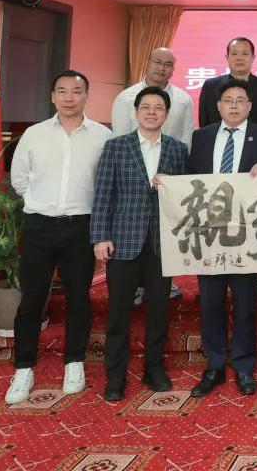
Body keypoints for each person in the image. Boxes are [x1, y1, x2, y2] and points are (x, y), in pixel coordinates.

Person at [5, 71, 112, 405]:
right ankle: (24, 368)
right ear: (52, 96)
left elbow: (107, 182)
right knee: (32, 298)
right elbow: (19, 178)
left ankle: (74, 362)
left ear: (87, 96)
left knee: (79, 297)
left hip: (81, 226)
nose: (69, 97)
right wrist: (42, 204)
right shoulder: (34, 134)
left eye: (76, 91)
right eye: (62, 91)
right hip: (39, 225)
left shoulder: (102, 136)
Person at [188, 79, 257, 398]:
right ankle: (214, 365)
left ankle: (243, 365)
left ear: (249, 106)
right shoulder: (201, 137)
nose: (233, 105)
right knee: (211, 301)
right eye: (228, 100)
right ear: (217, 106)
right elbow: (189, 179)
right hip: (210, 233)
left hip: (247, 232)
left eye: (240, 100)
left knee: (245, 303)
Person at [91, 86, 188, 401]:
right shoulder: (116, 147)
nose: (151, 112)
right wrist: (100, 236)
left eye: (158, 108)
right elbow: (103, 193)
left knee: (158, 311)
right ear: (135, 112)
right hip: (123, 241)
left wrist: (171, 187)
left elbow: (186, 195)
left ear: (166, 114)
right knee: (118, 313)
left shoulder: (177, 150)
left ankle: (154, 368)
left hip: (162, 244)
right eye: (146, 107)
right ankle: (115, 376)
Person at [111, 47, 193, 303]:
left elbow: (186, 136)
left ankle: (164, 281)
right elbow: (119, 137)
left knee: (164, 233)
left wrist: (175, 176)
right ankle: (135, 285)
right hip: (133, 177)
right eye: (157, 62)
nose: (162, 68)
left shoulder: (183, 99)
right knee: (135, 230)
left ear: (173, 69)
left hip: (167, 178)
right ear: (148, 63)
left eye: (168, 64)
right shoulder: (126, 97)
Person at [197, 37, 257, 131]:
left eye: (244, 53)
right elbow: (204, 123)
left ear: (253, 57)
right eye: (234, 54)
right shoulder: (210, 86)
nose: (239, 58)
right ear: (227, 57)